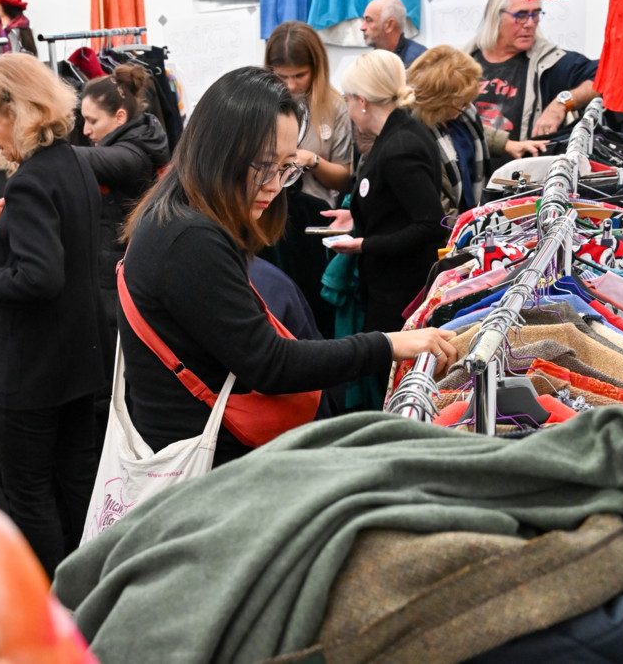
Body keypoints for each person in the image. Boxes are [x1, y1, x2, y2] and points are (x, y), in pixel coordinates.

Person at [117, 65, 455, 470]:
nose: (276, 185)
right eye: (264, 166)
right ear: (218, 150)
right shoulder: (189, 238)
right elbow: (270, 363)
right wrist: (388, 345)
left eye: (286, 167)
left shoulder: (178, 221)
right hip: (206, 467)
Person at [0, 53, 107, 578]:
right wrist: (10, 228)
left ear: (16, 109)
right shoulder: (71, 163)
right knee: (77, 480)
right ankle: (89, 585)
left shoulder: (28, 183)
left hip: (33, 368)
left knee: (27, 491)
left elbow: (38, 278)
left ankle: (52, 600)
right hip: (77, 357)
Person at [322, 50, 448, 334]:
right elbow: (396, 202)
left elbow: (431, 224)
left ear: (362, 101)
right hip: (394, 287)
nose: (348, 107)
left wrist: (364, 244)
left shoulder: (399, 148)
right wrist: (356, 215)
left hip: (399, 294)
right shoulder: (404, 129)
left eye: (347, 99)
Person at [263, 21, 353, 339]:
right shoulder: (262, 106)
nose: (289, 85)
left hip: (317, 230)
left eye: (299, 75)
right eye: (281, 75)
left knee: (315, 316)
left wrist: (312, 160)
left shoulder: (336, 107)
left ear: (316, 67)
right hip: (271, 230)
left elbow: (345, 178)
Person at [75, 64, 170, 345]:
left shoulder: (132, 156)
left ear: (119, 117)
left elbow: (74, 159)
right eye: (83, 120)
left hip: (121, 275)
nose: (85, 130)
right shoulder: (140, 138)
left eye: (93, 121)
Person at [407, 45, 548, 219]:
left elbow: (474, 132)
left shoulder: (462, 114)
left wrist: (507, 144)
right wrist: (469, 230)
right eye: (462, 102)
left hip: (471, 214)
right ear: (440, 103)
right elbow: (438, 212)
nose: (468, 106)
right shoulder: (414, 140)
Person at [466, 0, 599, 139]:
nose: (530, 24)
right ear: (495, 17)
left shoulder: (550, 63)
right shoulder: (463, 62)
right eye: (521, 16)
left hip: (525, 160)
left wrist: (562, 102)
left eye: (535, 15)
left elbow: (607, 77)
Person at [361, 0, 426, 67]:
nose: (362, 27)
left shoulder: (421, 62)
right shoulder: (371, 61)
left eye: (369, 20)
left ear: (389, 25)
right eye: (363, 20)